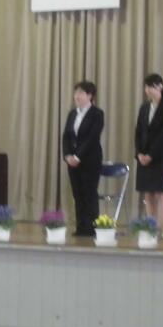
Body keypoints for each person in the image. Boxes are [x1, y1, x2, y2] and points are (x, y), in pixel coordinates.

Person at [134, 73, 163, 232]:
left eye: (151, 86)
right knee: (148, 193)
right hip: (143, 155)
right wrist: (139, 153)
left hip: (159, 155)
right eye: (146, 87)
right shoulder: (144, 107)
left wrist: (151, 155)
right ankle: (150, 225)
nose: (148, 90)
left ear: (160, 87)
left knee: (160, 192)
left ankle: (159, 227)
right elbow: (138, 132)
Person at [62, 82, 104, 237]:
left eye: (80, 93)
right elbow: (66, 136)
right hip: (72, 161)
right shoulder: (72, 113)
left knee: (89, 193)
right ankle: (80, 227)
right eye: (76, 93)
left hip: (90, 160)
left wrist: (78, 156)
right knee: (77, 194)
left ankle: (92, 228)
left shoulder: (97, 114)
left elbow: (92, 137)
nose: (76, 96)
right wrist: (67, 155)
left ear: (90, 95)